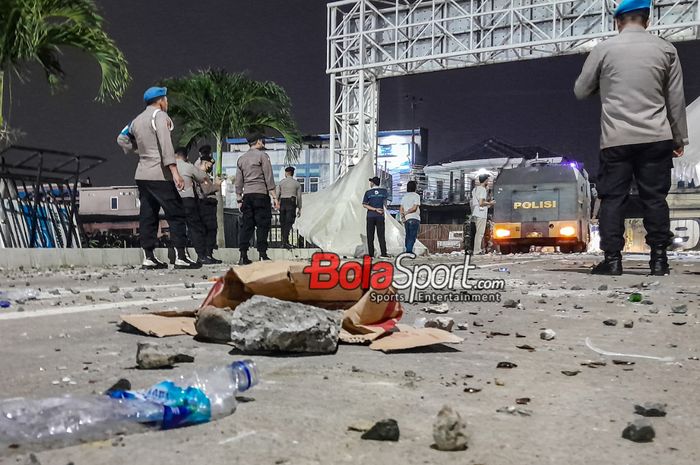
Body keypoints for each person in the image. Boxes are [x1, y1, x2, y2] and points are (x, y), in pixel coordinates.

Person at [574, 0, 688, 276]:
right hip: (656, 138)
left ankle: (612, 260)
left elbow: (580, 90)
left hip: (617, 140)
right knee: (655, 199)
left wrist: (607, 83)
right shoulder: (666, 49)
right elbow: (675, 99)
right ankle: (659, 260)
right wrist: (679, 138)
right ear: (647, 20)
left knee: (613, 199)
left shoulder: (604, 49)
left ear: (618, 21)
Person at [118, 86, 199, 270]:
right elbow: (165, 144)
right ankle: (181, 256)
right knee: (176, 213)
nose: (167, 102)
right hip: (159, 175)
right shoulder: (160, 116)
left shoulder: (136, 120)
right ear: (160, 101)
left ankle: (148, 257)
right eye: (166, 99)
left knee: (148, 215)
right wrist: (175, 172)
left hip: (142, 174)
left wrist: (141, 152)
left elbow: (121, 139)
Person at [234, 133, 278, 265]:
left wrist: (239, 198)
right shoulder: (262, 156)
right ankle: (262, 254)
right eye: (262, 140)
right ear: (258, 141)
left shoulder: (241, 159)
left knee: (246, 226)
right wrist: (274, 196)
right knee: (262, 225)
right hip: (261, 195)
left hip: (247, 196)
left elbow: (238, 181)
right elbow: (268, 177)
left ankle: (243, 255)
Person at [174, 147, 220, 265]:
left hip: (173, 200)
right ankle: (201, 256)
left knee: (177, 228)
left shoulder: (169, 167)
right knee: (196, 228)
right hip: (188, 200)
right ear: (186, 156)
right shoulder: (188, 166)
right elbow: (201, 177)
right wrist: (216, 184)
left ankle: (180, 255)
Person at [194, 145, 221, 262]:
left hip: (203, 204)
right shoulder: (202, 175)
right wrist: (217, 185)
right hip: (206, 204)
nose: (211, 167)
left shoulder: (199, 172)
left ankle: (206, 255)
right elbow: (207, 190)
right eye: (210, 165)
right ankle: (207, 254)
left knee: (206, 229)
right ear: (205, 163)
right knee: (210, 229)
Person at [276, 166, 303, 249]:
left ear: (285, 173)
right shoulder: (297, 184)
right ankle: (285, 242)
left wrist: (277, 203)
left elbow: (277, 195)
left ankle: (284, 242)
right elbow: (299, 197)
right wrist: (299, 208)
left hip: (283, 202)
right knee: (289, 222)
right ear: (293, 173)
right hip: (291, 202)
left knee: (283, 222)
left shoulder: (281, 183)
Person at [362, 176, 389, 258]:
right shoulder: (384, 191)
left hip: (370, 216)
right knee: (381, 235)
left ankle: (371, 254)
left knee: (370, 236)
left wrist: (374, 209)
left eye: (371, 182)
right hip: (380, 216)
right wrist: (381, 211)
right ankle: (384, 253)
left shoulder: (368, 193)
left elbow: (364, 205)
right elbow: (385, 203)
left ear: (373, 183)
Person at [470, 174, 494, 255]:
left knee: (478, 233)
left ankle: (477, 249)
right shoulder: (482, 190)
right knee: (480, 233)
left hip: (476, 212)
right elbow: (481, 203)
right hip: (481, 213)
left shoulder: (475, 189)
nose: (488, 181)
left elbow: (477, 202)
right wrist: (490, 202)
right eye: (488, 180)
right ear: (486, 180)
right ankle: (477, 250)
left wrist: (487, 204)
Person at [400, 180, 421, 254]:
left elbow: (401, 208)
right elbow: (414, 208)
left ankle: (407, 250)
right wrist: (407, 212)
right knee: (412, 236)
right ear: (415, 187)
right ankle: (409, 251)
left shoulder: (404, 197)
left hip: (406, 219)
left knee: (407, 235)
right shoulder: (416, 196)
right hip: (414, 218)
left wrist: (403, 216)